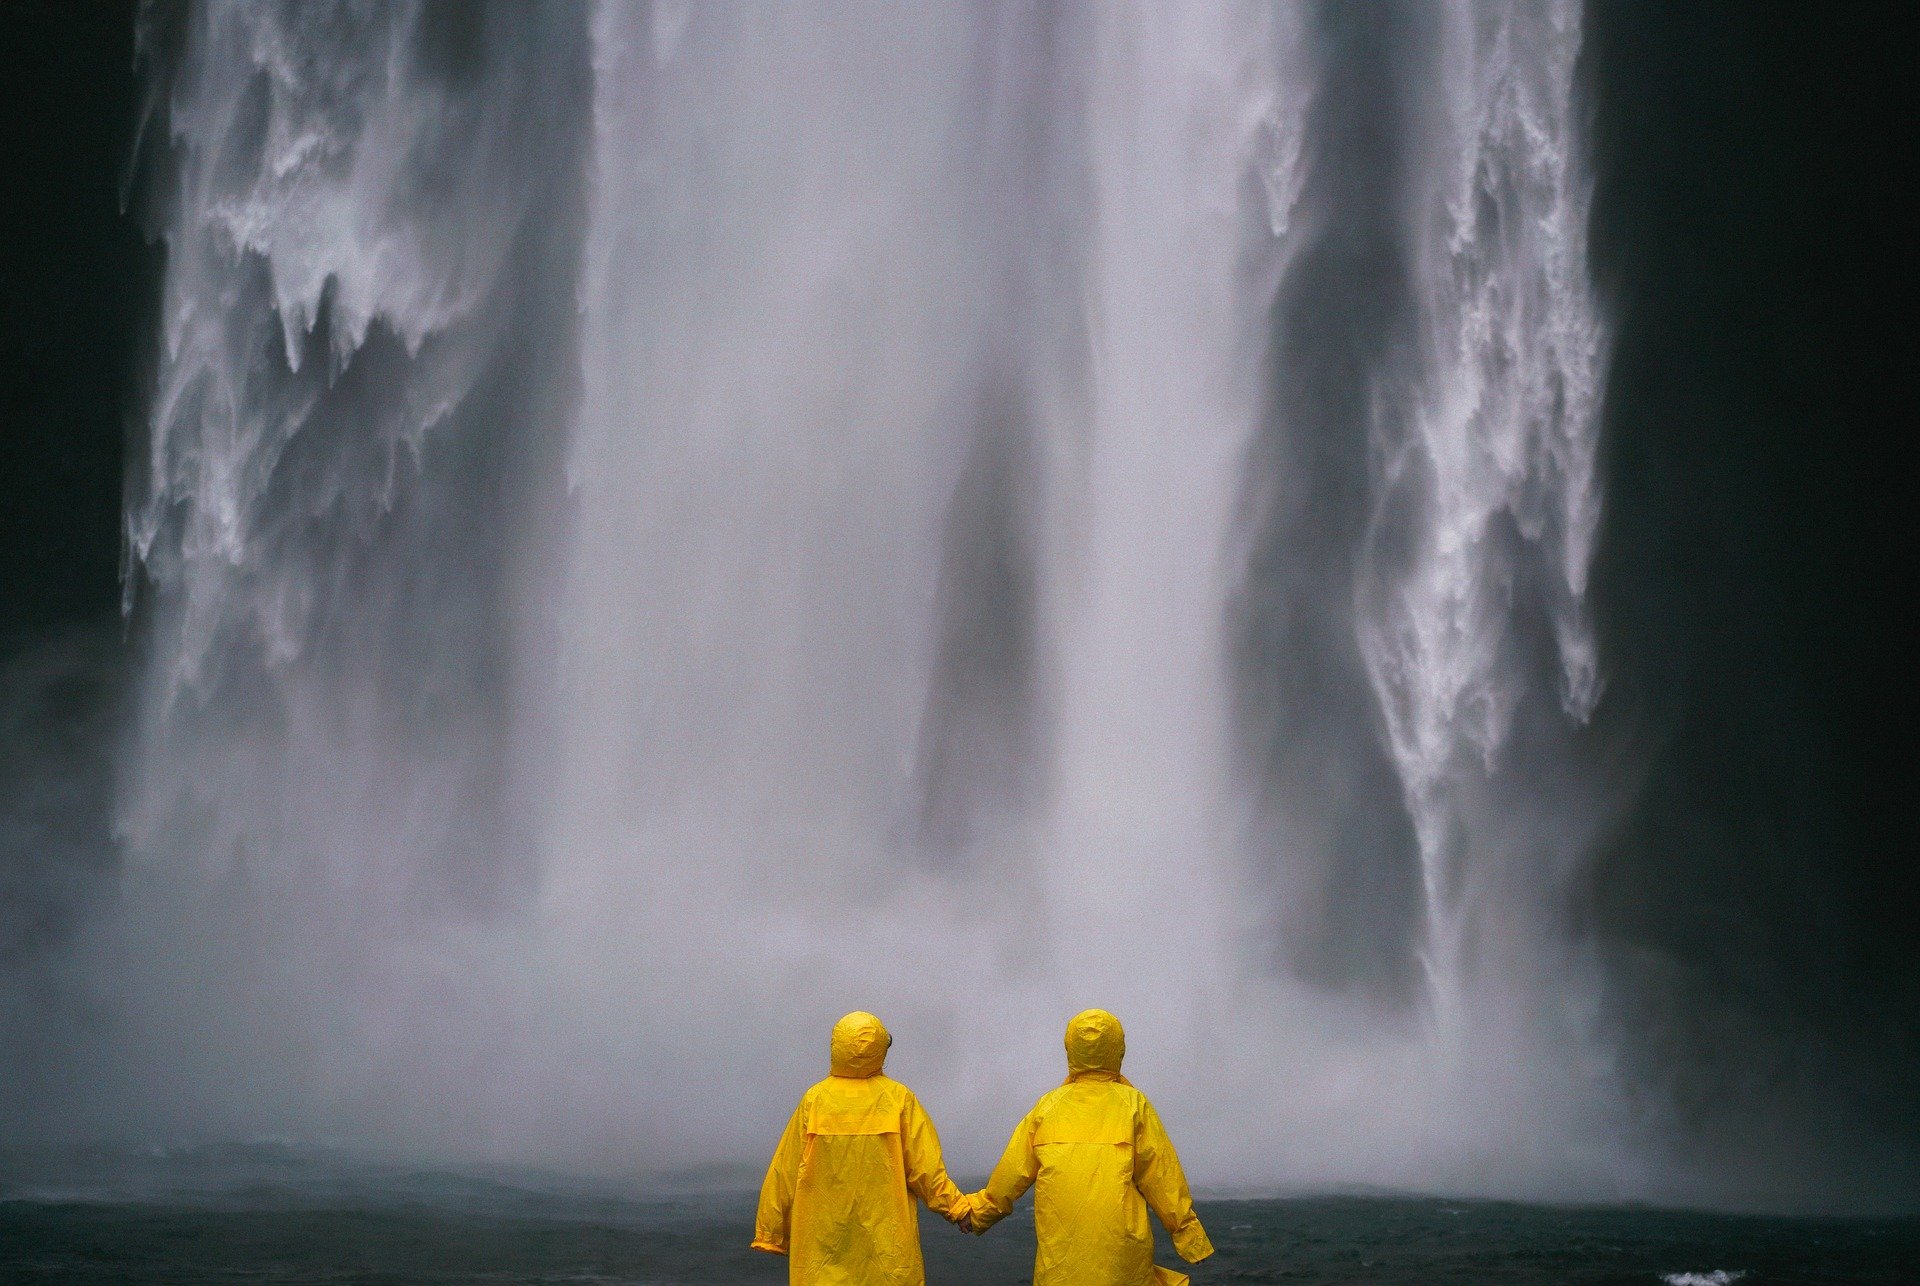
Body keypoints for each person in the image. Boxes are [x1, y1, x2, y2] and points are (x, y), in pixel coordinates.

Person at [962, 1009, 1213, 1285]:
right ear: (1118, 1049)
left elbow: (1010, 1176)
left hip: (1060, 1263)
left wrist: (977, 1214)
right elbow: (1162, 1177)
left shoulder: (1047, 1108)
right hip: (1121, 1258)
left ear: (1070, 1049)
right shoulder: (1134, 1105)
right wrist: (1190, 1238)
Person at [752, 1010, 971, 1284]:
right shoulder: (899, 1100)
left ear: (836, 1046)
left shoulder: (815, 1100)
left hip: (822, 1251)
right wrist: (959, 1209)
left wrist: (771, 1233)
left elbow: (784, 1170)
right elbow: (926, 1170)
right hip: (887, 1254)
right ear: (881, 1049)